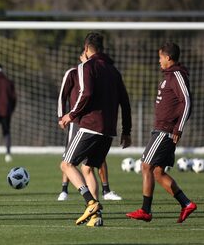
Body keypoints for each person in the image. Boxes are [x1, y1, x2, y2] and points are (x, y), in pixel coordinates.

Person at [59, 32, 132, 227]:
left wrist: (71, 115)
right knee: (88, 169)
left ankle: (90, 202)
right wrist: (127, 131)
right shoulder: (113, 70)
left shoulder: (86, 67)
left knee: (66, 165)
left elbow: (86, 93)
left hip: (91, 126)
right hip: (108, 130)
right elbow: (125, 101)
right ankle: (96, 217)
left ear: (86, 49)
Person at [126, 42, 197, 223]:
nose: (159, 61)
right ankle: (186, 204)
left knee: (145, 165)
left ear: (168, 58)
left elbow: (187, 102)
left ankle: (145, 210)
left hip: (165, 131)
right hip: (161, 129)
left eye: (160, 57)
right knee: (157, 172)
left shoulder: (177, 75)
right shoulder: (168, 76)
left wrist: (178, 128)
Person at [57, 53, 123, 202]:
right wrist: (62, 117)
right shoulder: (74, 72)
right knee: (78, 163)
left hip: (91, 124)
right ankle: (65, 190)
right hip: (79, 122)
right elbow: (63, 95)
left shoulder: (99, 74)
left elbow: (88, 94)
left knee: (71, 163)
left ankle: (95, 199)